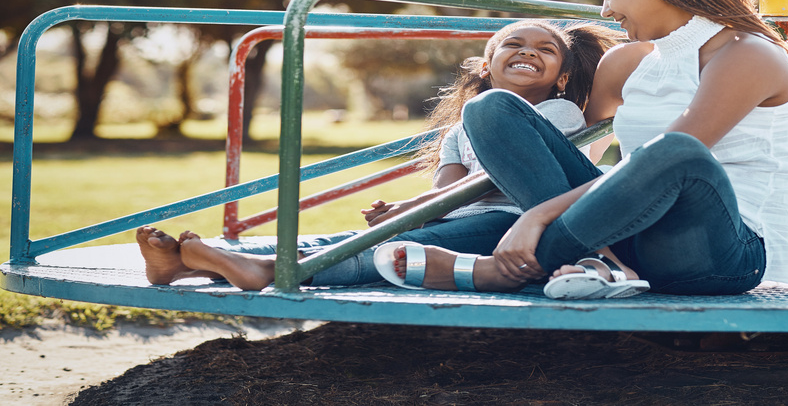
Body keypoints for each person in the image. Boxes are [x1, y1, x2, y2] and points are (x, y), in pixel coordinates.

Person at [378, 0, 788, 299]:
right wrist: (432, 202)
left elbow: (665, 159)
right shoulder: (625, 64)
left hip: (723, 254)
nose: (604, 10)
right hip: (631, 238)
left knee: (675, 152)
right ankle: (593, 261)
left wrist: (537, 217)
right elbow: (562, 162)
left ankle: (500, 270)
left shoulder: (747, 54)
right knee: (492, 108)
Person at [136, 19, 624, 291]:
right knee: (355, 234)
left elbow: (499, 180)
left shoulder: (559, 114)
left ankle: (264, 271)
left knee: (379, 245)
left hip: (513, 220)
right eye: (513, 43)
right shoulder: (459, 127)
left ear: (561, 75)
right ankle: (188, 263)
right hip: (459, 219)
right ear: (486, 64)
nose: (528, 51)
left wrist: (408, 213)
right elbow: (445, 191)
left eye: (546, 49)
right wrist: (406, 211)